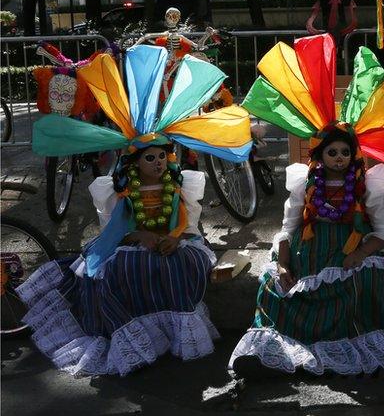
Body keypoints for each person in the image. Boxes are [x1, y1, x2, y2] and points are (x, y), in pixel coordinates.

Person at [230, 34, 384, 375]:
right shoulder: (305, 183)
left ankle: (360, 341)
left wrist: (361, 254)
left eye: (345, 152)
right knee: (277, 290)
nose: (339, 158)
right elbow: (289, 228)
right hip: (311, 251)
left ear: (353, 155)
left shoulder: (368, 186)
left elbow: (382, 233)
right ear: (320, 156)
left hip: (356, 247)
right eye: (332, 152)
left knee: (366, 283)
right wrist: (285, 264)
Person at [23, 44, 253, 376]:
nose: (158, 162)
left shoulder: (172, 186)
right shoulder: (128, 190)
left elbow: (183, 219)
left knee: (185, 263)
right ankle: (140, 336)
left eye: (162, 156)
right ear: (136, 161)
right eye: (150, 158)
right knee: (120, 271)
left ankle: (173, 334)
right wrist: (142, 236)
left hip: (174, 240)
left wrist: (174, 237)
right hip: (134, 241)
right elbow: (120, 225)